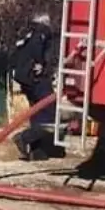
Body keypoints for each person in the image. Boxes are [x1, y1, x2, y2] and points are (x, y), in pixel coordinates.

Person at [9, 13, 65, 161]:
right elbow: (37, 47)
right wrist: (40, 63)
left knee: (37, 112)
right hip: (36, 78)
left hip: (25, 78)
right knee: (50, 113)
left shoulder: (27, 33)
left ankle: (36, 151)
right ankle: (24, 138)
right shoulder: (42, 32)